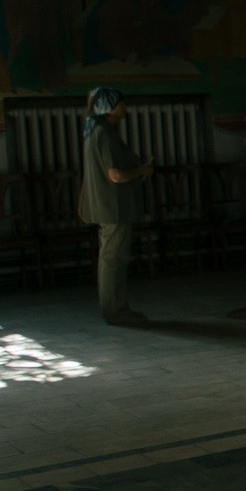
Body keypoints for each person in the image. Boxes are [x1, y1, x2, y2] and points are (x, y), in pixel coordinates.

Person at [79, 86, 153, 324]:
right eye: (121, 104)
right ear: (109, 108)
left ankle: (116, 308)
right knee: (114, 259)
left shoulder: (96, 131)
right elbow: (115, 175)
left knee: (112, 257)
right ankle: (115, 310)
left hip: (108, 205)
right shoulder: (104, 133)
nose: (125, 108)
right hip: (113, 205)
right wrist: (141, 170)